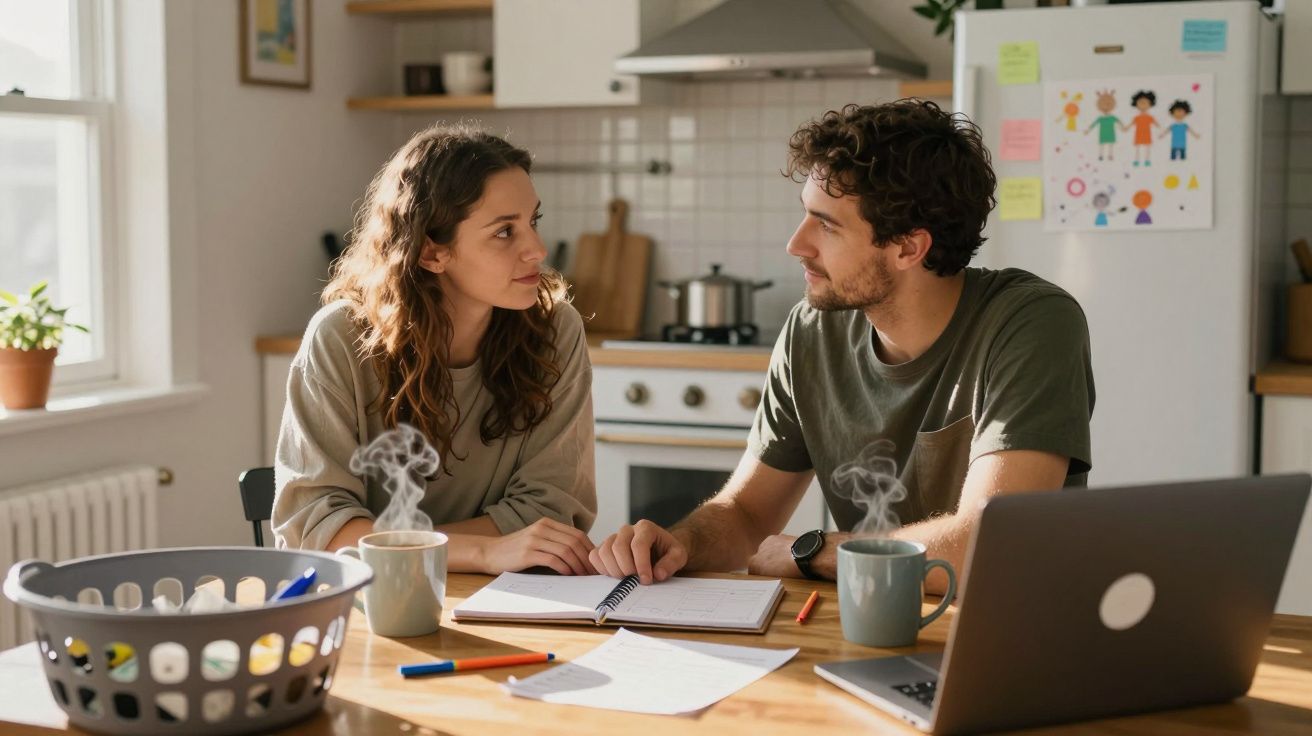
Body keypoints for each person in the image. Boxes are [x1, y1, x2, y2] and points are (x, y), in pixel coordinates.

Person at [590, 100, 1094, 591]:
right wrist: (680, 543)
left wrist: (815, 551)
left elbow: (993, 538)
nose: (796, 244)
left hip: (998, 632)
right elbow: (747, 514)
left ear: (907, 247)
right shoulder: (811, 330)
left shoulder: (1030, 323)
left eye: (826, 225)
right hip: (856, 621)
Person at [272, 123, 599, 577]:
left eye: (533, 222)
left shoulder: (554, 330)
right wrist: (482, 551)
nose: (537, 249)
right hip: (368, 602)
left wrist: (407, 545)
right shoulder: (340, 338)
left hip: (507, 600)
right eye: (505, 232)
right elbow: (320, 528)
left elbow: (551, 515)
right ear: (431, 253)